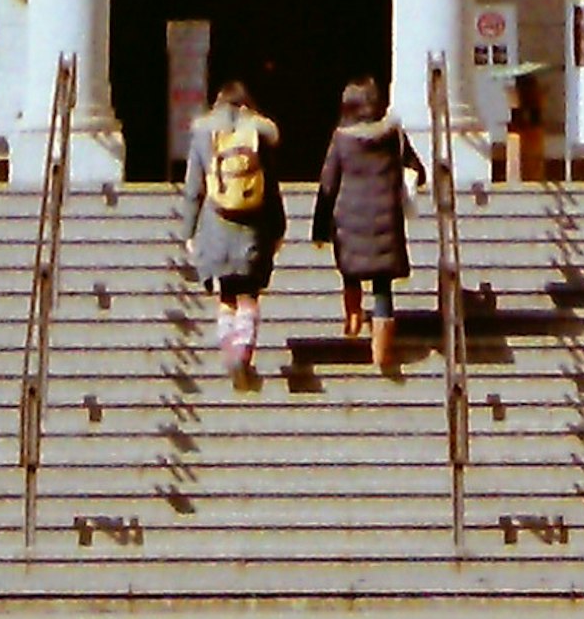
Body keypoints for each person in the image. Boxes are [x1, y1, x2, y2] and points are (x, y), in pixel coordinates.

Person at [307, 77, 421, 376]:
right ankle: (381, 354)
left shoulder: (341, 138)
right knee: (382, 288)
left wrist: (319, 227)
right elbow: (416, 168)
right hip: (386, 218)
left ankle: (353, 322)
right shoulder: (393, 133)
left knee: (352, 273)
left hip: (349, 219)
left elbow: (328, 185)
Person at [178, 75, 285, 387]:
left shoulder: (203, 134)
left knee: (225, 297)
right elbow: (272, 188)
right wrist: (279, 227)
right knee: (249, 297)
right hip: (254, 227)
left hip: (215, 227)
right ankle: (244, 354)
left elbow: (194, 189)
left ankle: (228, 353)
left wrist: (188, 231)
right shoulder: (260, 134)